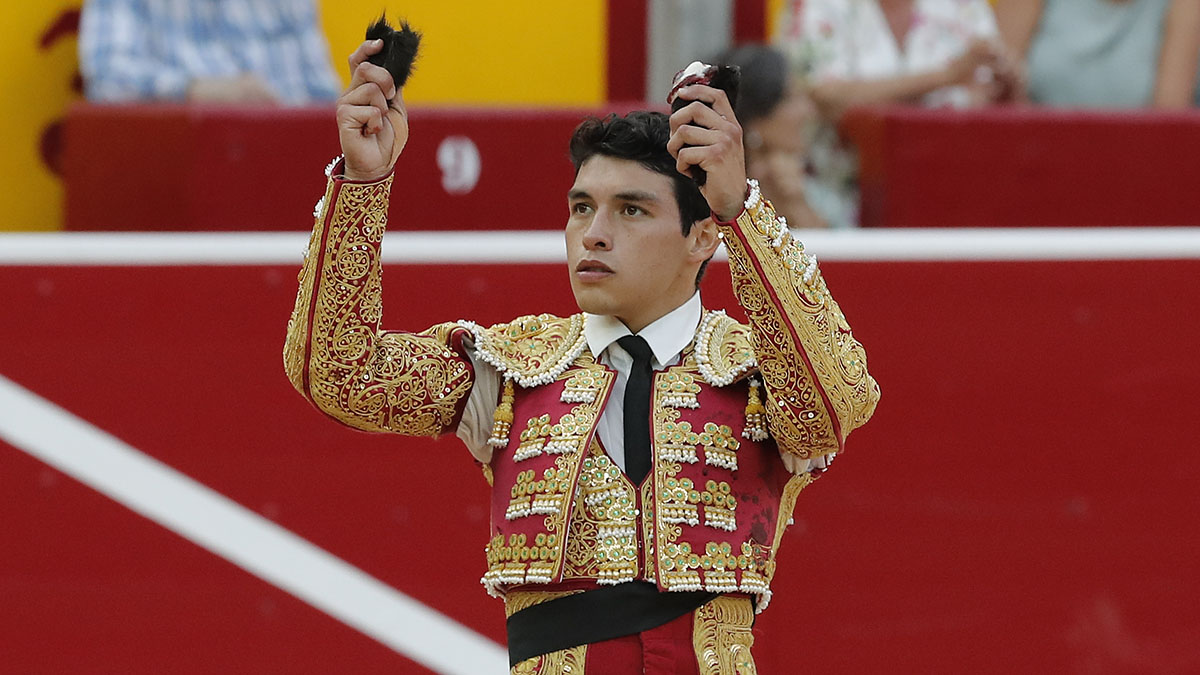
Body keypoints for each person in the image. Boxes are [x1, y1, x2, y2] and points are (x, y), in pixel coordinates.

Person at [284, 37, 879, 673]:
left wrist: (743, 211)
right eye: (581, 208)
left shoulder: (754, 369)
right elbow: (340, 372)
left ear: (702, 235)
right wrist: (362, 186)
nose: (593, 232)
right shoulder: (510, 369)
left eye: (631, 209)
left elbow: (833, 406)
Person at [774, 0, 1023, 228]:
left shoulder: (963, 6)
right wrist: (946, 76)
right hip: (839, 201)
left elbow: (991, 95)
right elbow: (826, 97)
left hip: (954, 199)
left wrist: (1009, 87)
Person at [78, 0, 341, 105]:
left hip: (288, 173)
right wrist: (194, 91)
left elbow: (325, 95)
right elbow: (106, 78)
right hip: (177, 175)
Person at [995, 0, 1200, 108]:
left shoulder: (1185, 5)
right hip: (1033, 161)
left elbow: (1167, 125)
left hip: (1133, 171)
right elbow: (995, 99)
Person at [714, 43, 827, 230]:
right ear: (753, 118)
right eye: (790, 99)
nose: (808, 111)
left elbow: (830, 256)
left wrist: (796, 203)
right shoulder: (712, 190)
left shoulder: (807, 184)